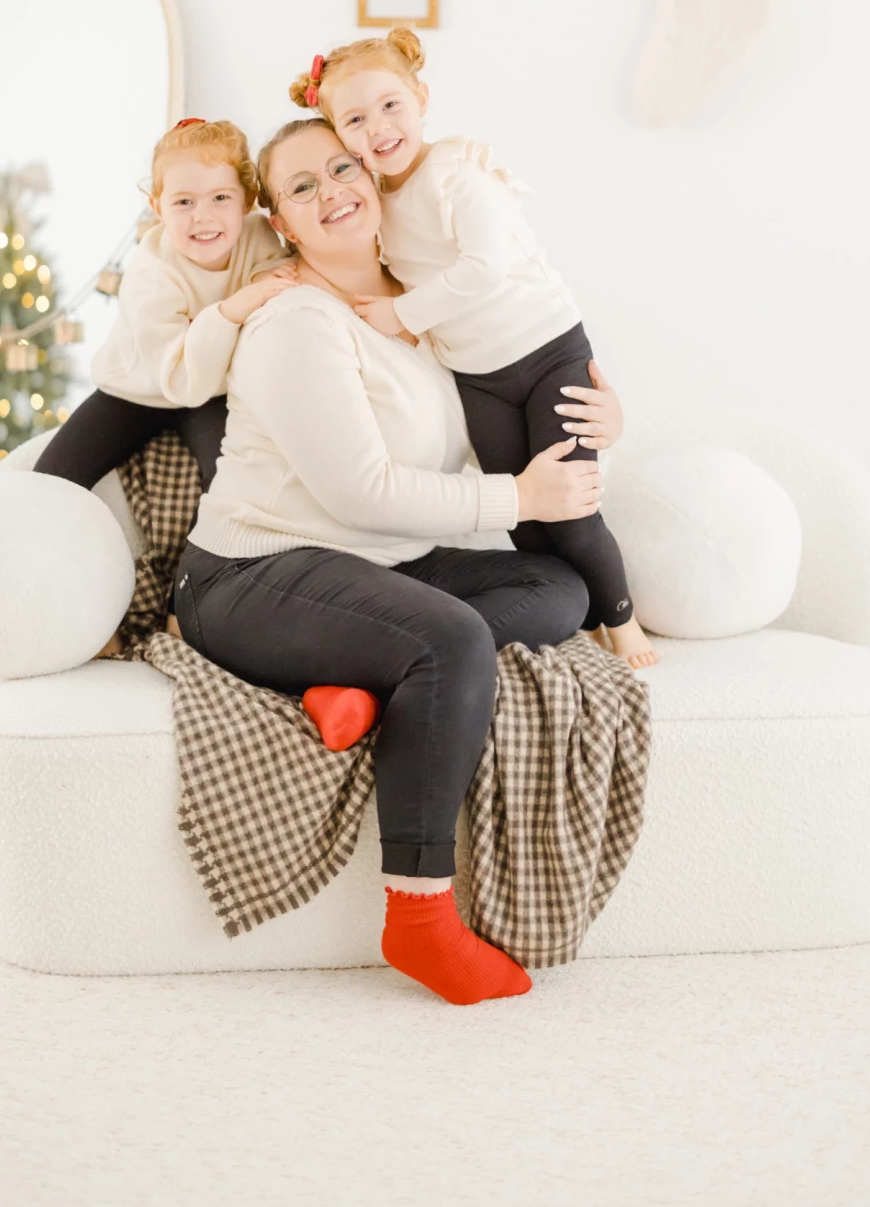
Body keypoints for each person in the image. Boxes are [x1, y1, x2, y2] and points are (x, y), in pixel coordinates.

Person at [172, 115, 612, 1007]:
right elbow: (361, 492)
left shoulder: (425, 314)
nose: (334, 189)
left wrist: (607, 420)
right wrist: (519, 501)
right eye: (303, 186)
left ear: (375, 185)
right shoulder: (299, 319)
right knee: (450, 641)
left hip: (376, 572)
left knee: (558, 588)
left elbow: (527, 372)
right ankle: (418, 919)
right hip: (252, 572)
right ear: (281, 224)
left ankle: (367, 683)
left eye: (344, 168)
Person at [289, 30, 657, 670]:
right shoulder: (378, 200)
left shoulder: (456, 175)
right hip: (479, 376)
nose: (376, 128)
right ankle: (575, 613)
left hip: (545, 353)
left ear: (421, 98)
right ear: (336, 135)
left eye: (390, 106)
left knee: (570, 509)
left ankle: (622, 622)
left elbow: (484, 269)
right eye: (353, 119)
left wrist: (401, 314)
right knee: (523, 511)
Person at [35, 117, 295, 491]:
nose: (202, 216)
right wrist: (231, 310)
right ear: (158, 208)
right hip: (136, 389)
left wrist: (259, 287)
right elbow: (181, 380)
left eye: (221, 197)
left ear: (247, 201)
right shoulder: (152, 274)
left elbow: (280, 280)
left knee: (233, 480)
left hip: (214, 392)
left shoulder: (258, 236)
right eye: (184, 202)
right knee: (51, 479)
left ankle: (208, 550)